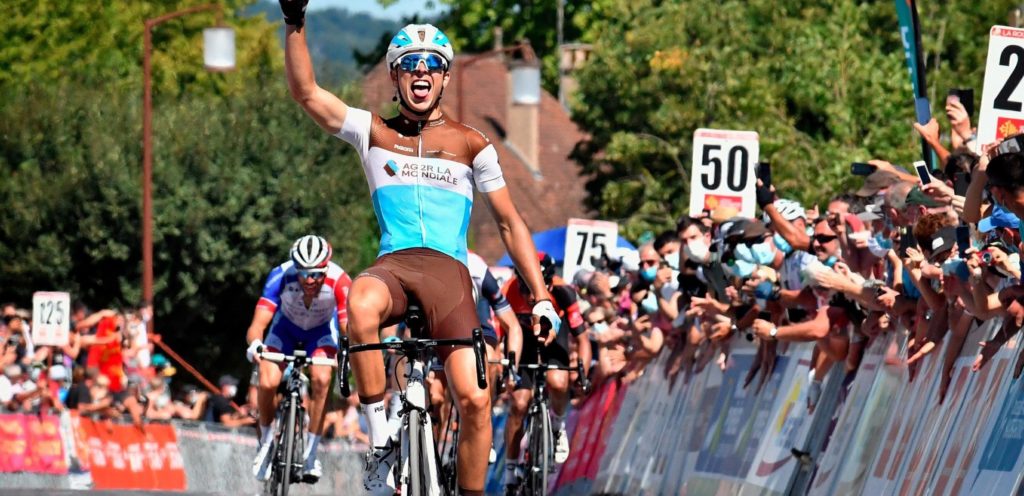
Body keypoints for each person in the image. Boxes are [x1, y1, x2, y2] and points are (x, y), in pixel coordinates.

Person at [279, 4, 558, 494]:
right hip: (395, 268)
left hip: (450, 277)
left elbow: (511, 224)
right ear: (394, 76)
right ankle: (382, 439)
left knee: (474, 399)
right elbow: (306, 93)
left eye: (432, 63)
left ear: (445, 77)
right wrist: (295, 22)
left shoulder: (473, 143)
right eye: (409, 64)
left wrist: (540, 297)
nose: (421, 71)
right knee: (360, 303)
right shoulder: (374, 132)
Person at [245, 234, 352, 483]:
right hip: (285, 330)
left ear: (326, 267)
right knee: (268, 381)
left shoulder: (340, 281)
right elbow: (257, 324)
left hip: (321, 334)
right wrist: (255, 344)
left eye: (315, 274)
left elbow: (347, 328)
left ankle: (311, 453)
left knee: (322, 379)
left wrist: (345, 352)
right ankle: (266, 443)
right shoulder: (280, 275)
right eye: (303, 273)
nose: (309, 280)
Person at [501, 252, 592, 489]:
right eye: (525, 290)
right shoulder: (509, 291)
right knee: (519, 404)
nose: (530, 297)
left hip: (555, 338)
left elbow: (582, 340)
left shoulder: (564, 292)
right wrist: (505, 370)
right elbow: (501, 336)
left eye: (536, 291)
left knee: (558, 382)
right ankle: (509, 472)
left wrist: (581, 373)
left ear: (549, 283)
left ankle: (558, 426)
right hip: (523, 341)